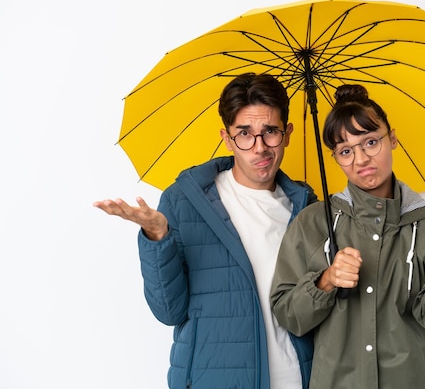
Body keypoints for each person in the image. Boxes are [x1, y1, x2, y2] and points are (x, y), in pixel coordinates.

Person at [270, 84, 425, 389]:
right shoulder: (313, 223)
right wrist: (326, 281)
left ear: (393, 138)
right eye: (345, 151)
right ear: (334, 157)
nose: (360, 159)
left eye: (371, 142)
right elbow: (289, 316)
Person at [94, 73, 316, 389]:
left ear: (288, 133)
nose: (260, 147)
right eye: (245, 134)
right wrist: (158, 238)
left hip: (298, 379)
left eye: (270, 132)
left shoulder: (307, 209)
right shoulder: (185, 201)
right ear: (227, 138)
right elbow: (168, 311)